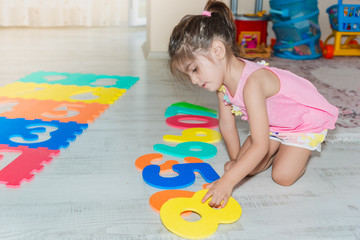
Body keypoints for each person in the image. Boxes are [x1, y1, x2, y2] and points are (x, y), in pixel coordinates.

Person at [168, 0, 338, 208]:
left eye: (194, 69)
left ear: (218, 51)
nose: (193, 80)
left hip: (301, 122)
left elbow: (259, 145)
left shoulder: (252, 83)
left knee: (282, 176)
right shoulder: (222, 84)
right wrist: (238, 162)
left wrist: (228, 182)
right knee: (246, 166)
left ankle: (297, 152)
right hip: (273, 124)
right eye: (189, 75)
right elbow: (227, 125)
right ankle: (279, 148)